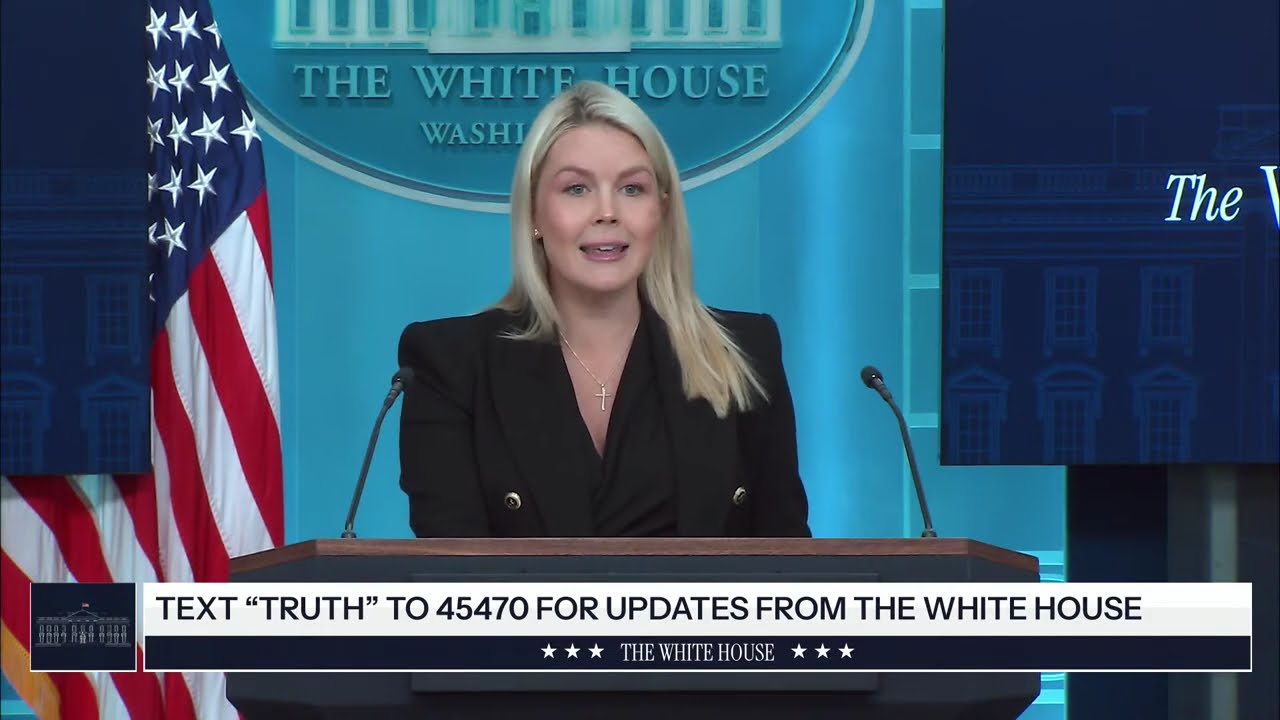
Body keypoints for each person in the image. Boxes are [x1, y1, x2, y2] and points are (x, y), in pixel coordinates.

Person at [397, 80, 810, 538]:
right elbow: (450, 571)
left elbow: (787, 559)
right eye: (576, 189)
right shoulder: (451, 363)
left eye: (632, 189)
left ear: (661, 211)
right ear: (533, 214)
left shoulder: (743, 353)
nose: (607, 212)